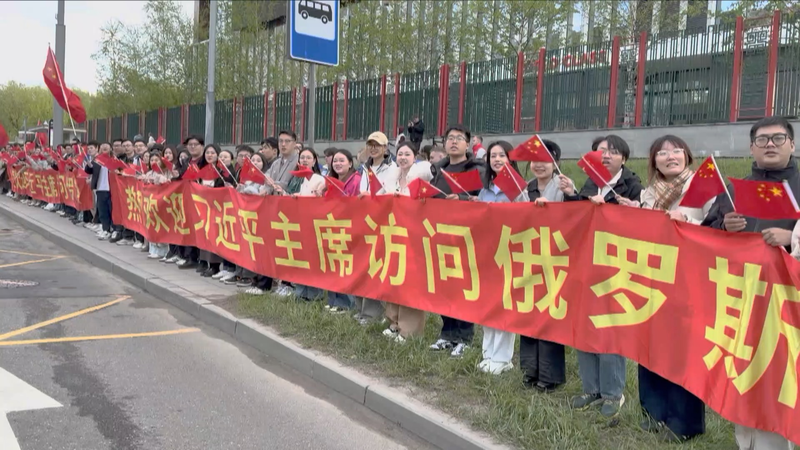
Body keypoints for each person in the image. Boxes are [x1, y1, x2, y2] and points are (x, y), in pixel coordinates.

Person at [702, 116, 797, 450]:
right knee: (744, 374)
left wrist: (792, 237)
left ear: (792, 145)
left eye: (778, 138)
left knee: (779, 380)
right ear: (752, 148)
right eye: (762, 140)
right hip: (741, 299)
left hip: (787, 304)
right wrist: (724, 227)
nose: (770, 144)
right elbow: (704, 235)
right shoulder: (735, 190)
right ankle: (747, 443)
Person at [613, 135, 713, 442]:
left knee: (681, 350)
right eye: (663, 152)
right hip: (651, 277)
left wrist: (687, 222)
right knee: (650, 345)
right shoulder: (649, 192)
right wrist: (635, 211)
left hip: (687, 279)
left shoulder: (703, 188)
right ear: (654, 161)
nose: (671, 156)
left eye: (677, 150)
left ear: (687, 155)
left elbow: (717, 228)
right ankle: (653, 413)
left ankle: (683, 423)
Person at [559, 134, 643, 419]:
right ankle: (591, 389)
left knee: (608, 330)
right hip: (587, 263)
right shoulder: (590, 181)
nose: (605, 156)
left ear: (624, 158)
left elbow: (640, 224)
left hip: (616, 266)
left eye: (612, 151)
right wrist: (574, 196)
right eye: (601, 151)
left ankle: (612, 392)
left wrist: (612, 209)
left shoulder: (632, 185)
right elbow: (578, 217)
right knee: (584, 326)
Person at [428, 124, 486, 357]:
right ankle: (447, 333)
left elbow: (481, 199)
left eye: (459, 138)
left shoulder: (477, 169)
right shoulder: (439, 169)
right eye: (450, 138)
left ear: (468, 144)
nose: (453, 141)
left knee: (463, 287)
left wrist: (460, 198)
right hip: (441, 234)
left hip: (465, 236)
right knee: (444, 286)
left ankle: (464, 337)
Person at [474, 140, 529, 374]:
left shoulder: (518, 187)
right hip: (487, 252)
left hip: (509, 251)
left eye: (502, 155)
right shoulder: (486, 189)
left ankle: (503, 358)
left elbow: (526, 215)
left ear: (510, 159)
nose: (497, 160)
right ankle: (488, 352)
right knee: (488, 302)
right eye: (493, 156)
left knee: (505, 303)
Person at [521, 139, 567, 392]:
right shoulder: (525, 188)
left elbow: (574, 214)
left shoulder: (562, 186)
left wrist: (567, 197)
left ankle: (550, 376)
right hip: (528, 256)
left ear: (555, 163)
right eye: (535, 161)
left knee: (549, 317)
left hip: (554, 259)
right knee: (528, 313)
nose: (539, 165)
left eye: (545, 160)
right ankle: (529, 370)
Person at [379, 142, 432, 342]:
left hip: (414, 235)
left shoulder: (422, 175)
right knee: (394, 277)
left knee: (410, 281)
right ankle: (394, 322)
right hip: (393, 234)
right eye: (400, 154)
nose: (402, 157)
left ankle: (409, 330)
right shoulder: (391, 176)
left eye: (407, 154)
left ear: (415, 156)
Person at [270, 148, 326, 299]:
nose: (305, 160)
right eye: (302, 158)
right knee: (301, 259)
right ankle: (301, 292)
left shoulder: (319, 179)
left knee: (313, 260)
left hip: (313, 224)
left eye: (308, 158)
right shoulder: (302, 179)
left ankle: (314, 295)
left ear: (314, 161)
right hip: (300, 223)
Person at [353, 132, 397, 324]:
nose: (373, 148)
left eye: (377, 145)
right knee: (361, 264)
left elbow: (389, 194)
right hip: (365, 220)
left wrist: (372, 197)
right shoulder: (365, 167)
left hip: (382, 222)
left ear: (385, 148)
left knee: (375, 266)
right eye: (370, 144)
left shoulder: (393, 168)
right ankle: (360, 308)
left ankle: (372, 313)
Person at [322, 149, 361, 313]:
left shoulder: (356, 180)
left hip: (349, 227)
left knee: (346, 267)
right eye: (335, 161)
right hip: (333, 226)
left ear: (350, 163)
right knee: (334, 265)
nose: (337, 163)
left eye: (342, 160)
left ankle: (346, 303)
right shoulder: (331, 180)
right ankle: (334, 299)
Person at [85, 142, 114, 240]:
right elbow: (89, 171)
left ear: (110, 148)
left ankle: (111, 229)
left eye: (106, 147)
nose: (104, 148)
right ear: (99, 149)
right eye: (102, 147)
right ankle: (105, 229)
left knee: (110, 210)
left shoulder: (113, 159)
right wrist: (89, 165)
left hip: (111, 189)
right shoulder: (97, 159)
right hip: (100, 188)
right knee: (102, 210)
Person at [264, 131, 299, 195]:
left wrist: (274, 184)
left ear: (294, 143)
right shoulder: (275, 163)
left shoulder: (298, 162)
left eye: (287, 141)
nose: (283, 144)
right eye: (280, 141)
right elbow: (267, 182)